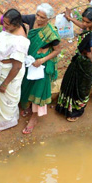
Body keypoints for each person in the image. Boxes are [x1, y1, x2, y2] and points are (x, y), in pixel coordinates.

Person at [0, 10, 29, 136]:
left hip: (8, 74)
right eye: (5, 22)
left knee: (4, 98)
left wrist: (5, 83)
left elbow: (17, 66)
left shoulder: (20, 42)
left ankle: (1, 123)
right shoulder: (10, 29)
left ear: (16, 24)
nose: (5, 26)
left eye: (7, 24)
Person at [17, 7, 61, 135]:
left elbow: (57, 50)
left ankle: (34, 118)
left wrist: (42, 61)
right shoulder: (31, 19)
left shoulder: (51, 34)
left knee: (39, 90)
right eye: (37, 15)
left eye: (42, 17)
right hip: (29, 61)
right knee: (26, 85)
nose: (38, 19)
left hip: (41, 66)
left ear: (49, 19)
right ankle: (28, 108)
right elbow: (14, 16)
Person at [53, 8, 92, 121]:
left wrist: (86, 54)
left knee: (80, 89)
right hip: (79, 62)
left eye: (87, 22)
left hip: (86, 66)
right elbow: (82, 25)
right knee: (69, 83)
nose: (84, 24)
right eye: (83, 20)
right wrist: (70, 18)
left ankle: (76, 112)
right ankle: (65, 107)